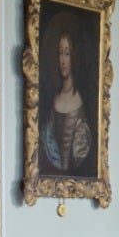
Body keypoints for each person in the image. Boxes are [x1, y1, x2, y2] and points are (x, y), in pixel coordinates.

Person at [43, 31, 93, 173]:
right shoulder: (53, 99)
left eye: (67, 53)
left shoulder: (82, 99)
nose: (63, 60)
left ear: (73, 56)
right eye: (60, 53)